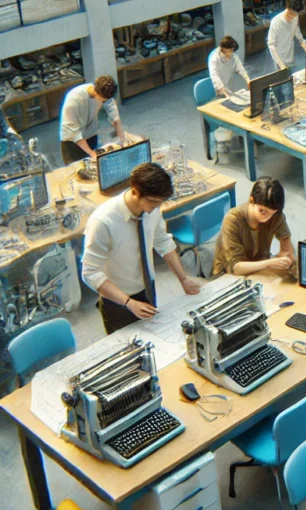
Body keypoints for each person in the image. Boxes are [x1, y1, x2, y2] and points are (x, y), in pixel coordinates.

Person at [82, 163, 200, 335]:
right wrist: (128, 302)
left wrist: (183, 279)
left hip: (147, 288)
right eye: (153, 202)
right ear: (135, 191)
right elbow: (90, 273)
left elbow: (164, 243)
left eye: (160, 203)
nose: (156, 207)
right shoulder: (102, 222)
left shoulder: (153, 210)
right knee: (127, 349)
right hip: (118, 300)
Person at [211, 176, 294, 277]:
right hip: (228, 275)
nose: (267, 217)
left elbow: (286, 247)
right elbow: (236, 268)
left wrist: (286, 257)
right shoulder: (232, 220)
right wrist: (270, 263)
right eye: (262, 211)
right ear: (251, 200)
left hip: (259, 268)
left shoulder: (275, 215)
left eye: (271, 213)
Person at [59, 75, 126, 165]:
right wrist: (92, 154)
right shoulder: (73, 101)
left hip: (91, 135)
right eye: (103, 100)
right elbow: (73, 132)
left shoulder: (103, 94)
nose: (103, 102)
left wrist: (120, 132)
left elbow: (110, 105)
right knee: (77, 171)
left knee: (95, 170)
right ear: (97, 93)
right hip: (72, 144)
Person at [267, 0, 306, 73]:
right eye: (291, 14)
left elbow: (301, 39)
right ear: (288, 7)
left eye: (295, 15)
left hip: (290, 59)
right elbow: (271, 45)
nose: (292, 17)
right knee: (281, 82)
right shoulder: (276, 21)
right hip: (279, 61)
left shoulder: (295, 17)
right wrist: (281, 65)